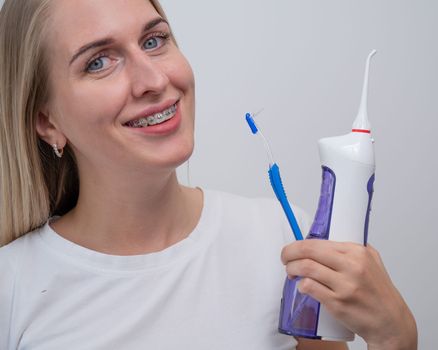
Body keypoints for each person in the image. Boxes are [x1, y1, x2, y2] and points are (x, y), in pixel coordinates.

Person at [0, 0, 417, 349]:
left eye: (154, 40)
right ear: (47, 121)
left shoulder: (285, 241)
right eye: (99, 62)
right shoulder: (12, 286)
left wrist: (396, 335)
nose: (155, 80)